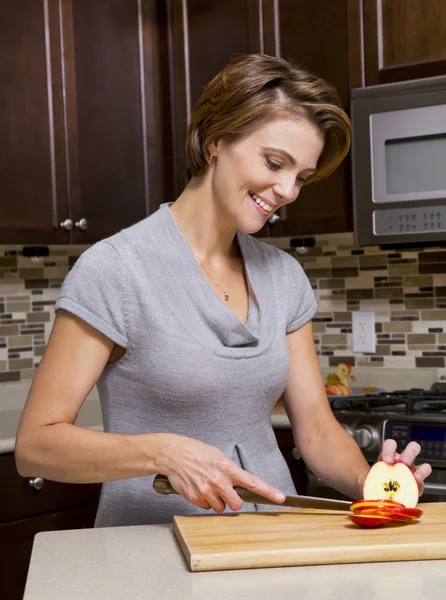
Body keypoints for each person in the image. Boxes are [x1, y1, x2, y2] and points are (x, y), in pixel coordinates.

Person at [15, 54, 432, 527]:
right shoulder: (115, 270)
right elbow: (36, 446)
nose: (287, 190)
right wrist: (161, 451)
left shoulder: (284, 276)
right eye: (275, 162)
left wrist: (374, 487)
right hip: (150, 549)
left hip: (270, 540)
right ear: (216, 139)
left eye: (301, 177)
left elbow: (316, 432)